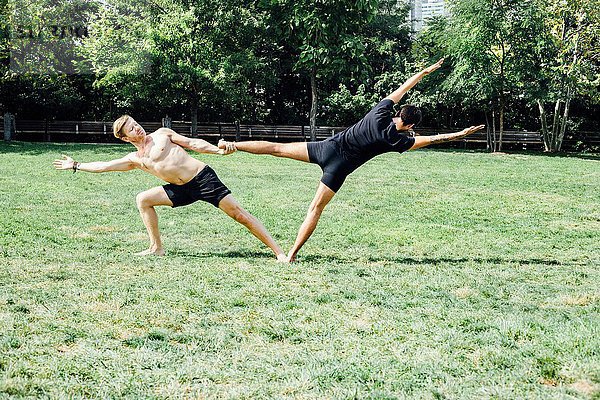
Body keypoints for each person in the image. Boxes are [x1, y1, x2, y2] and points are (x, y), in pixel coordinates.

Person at [219, 59, 485, 262]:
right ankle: (290, 255)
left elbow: (403, 88)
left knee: (277, 149)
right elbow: (433, 140)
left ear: (399, 112)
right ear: (411, 124)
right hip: (338, 169)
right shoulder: (397, 140)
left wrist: (425, 73)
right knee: (315, 209)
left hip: (326, 148)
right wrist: (460, 134)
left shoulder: (380, 112)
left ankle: (233, 145)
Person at [53, 115, 287, 261]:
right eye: (132, 129)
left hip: (203, 179)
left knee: (239, 214)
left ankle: (279, 252)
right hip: (181, 190)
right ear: (125, 138)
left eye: (136, 124)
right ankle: (156, 248)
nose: (138, 129)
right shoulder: (135, 158)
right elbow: (105, 166)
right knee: (143, 199)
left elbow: (192, 143)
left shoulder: (162, 135)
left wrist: (216, 151)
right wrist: (76, 165)